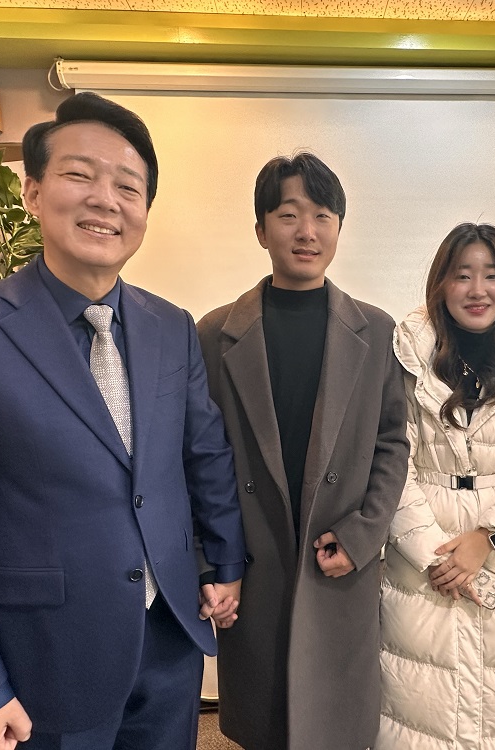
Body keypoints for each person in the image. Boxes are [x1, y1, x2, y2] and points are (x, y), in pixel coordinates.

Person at [0, 92, 246, 750]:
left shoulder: (171, 325)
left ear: (145, 211)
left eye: (128, 186)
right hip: (46, 654)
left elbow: (203, 455)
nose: (105, 199)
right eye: (79, 175)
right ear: (33, 193)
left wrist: (224, 560)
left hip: (168, 638)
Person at [197, 152, 409, 750]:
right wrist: (213, 563)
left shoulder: (376, 330)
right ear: (261, 229)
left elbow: (393, 441)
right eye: (288, 215)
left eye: (322, 215)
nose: (307, 231)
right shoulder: (214, 332)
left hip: (336, 554)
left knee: (336, 719)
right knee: (264, 716)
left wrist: (364, 534)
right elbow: (198, 455)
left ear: (339, 227)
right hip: (252, 559)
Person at [376, 223, 495, 750]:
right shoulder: (408, 356)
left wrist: (487, 538)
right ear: (441, 284)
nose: (478, 289)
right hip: (422, 557)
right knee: (419, 710)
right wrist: (432, 555)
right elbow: (392, 463)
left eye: (492, 275)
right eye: (462, 275)